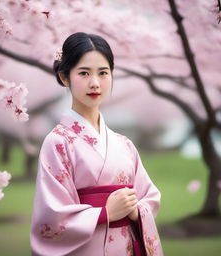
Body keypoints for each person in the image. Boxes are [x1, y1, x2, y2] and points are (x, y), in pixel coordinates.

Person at [30, 32, 163, 256]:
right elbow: (52, 215)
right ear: (65, 77)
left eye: (103, 73)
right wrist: (104, 213)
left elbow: (149, 196)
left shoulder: (124, 144)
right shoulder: (58, 142)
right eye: (84, 73)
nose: (95, 83)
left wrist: (136, 211)